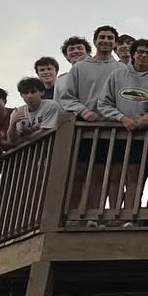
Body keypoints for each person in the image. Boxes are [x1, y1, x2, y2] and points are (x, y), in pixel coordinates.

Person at [57, 26, 124, 218]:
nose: (105, 41)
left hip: (110, 128)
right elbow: (67, 98)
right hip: (83, 128)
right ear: (94, 42)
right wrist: (84, 111)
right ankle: (70, 215)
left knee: (100, 174)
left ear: (115, 43)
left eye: (110, 38)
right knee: (77, 173)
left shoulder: (121, 69)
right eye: (101, 37)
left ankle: (92, 217)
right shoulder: (80, 67)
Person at [97, 38, 148, 225]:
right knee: (115, 176)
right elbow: (103, 103)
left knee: (135, 177)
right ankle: (112, 217)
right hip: (117, 133)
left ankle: (129, 217)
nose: (144, 55)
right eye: (140, 51)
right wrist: (121, 118)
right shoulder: (116, 75)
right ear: (133, 53)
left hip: (142, 135)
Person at [7, 77, 61, 147]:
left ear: (42, 92)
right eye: (26, 93)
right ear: (21, 95)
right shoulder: (18, 111)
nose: (29, 96)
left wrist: (22, 139)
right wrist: (12, 123)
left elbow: (44, 132)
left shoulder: (51, 106)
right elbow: (12, 140)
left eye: (33, 92)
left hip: (52, 146)